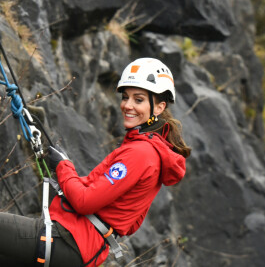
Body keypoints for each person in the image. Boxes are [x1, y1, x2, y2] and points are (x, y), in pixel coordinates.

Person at [0, 57, 191, 267]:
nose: (127, 105)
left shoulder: (142, 153)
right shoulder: (149, 151)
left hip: (68, 241)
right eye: (125, 97)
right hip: (76, 244)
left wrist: (64, 166)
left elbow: (85, 201)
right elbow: (128, 220)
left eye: (138, 100)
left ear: (159, 107)